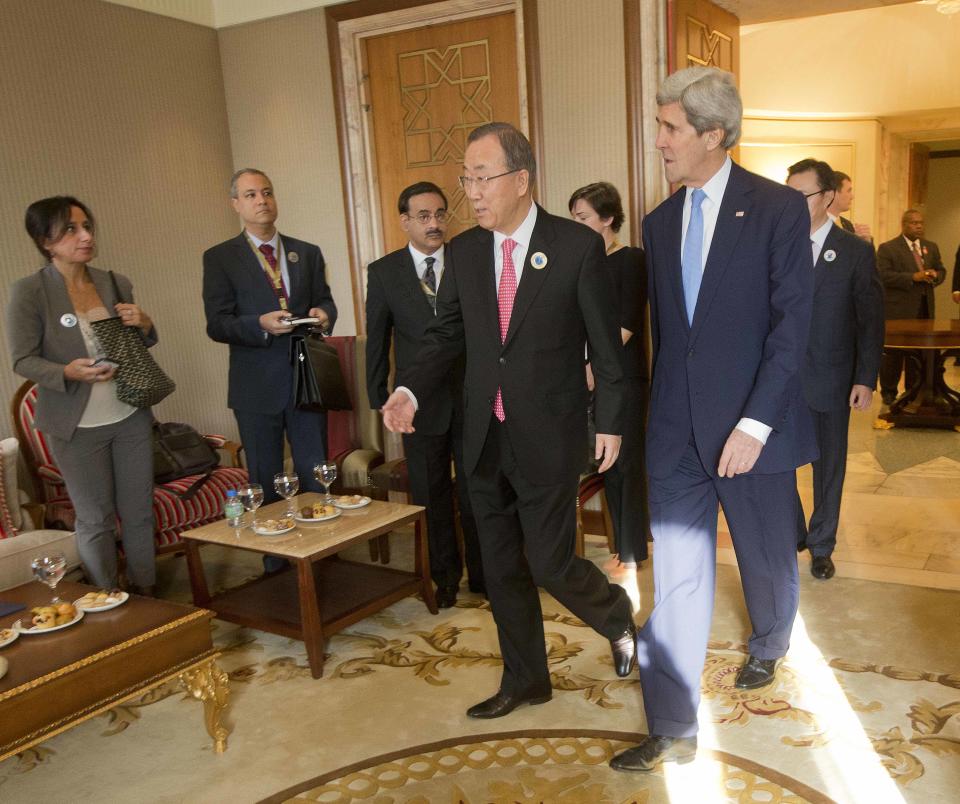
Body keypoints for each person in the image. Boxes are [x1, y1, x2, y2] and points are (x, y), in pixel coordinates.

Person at [381, 122, 636, 720]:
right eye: (466, 178)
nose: (471, 192)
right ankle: (527, 680)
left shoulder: (575, 247)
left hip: (549, 432)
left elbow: (607, 347)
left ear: (521, 180)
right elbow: (448, 333)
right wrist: (410, 387)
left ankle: (615, 613)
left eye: (482, 177)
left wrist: (612, 421)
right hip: (483, 435)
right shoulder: (465, 252)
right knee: (499, 568)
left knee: (548, 561)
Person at [610, 66, 816, 773]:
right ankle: (671, 723)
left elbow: (793, 326)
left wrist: (755, 424)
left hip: (755, 428)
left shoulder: (777, 209)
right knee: (680, 580)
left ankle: (769, 643)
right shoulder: (660, 221)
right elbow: (671, 335)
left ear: (712, 134)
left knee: (764, 560)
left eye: (669, 127)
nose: (659, 139)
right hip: (676, 434)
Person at [7, 197, 158, 594]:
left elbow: (141, 344)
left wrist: (145, 323)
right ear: (46, 240)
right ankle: (108, 602)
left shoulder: (114, 282)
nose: (86, 236)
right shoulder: (30, 292)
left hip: (130, 415)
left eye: (87, 226)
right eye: (71, 229)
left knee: (140, 515)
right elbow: (22, 359)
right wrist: (66, 372)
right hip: (76, 427)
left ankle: (151, 603)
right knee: (95, 519)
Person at [203, 168, 337, 571]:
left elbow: (326, 302)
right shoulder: (221, 257)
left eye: (267, 192)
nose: (261, 200)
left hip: (304, 377)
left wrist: (323, 314)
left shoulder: (306, 251)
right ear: (236, 205)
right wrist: (257, 324)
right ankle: (278, 565)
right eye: (250, 195)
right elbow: (217, 323)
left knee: (315, 470)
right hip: (255, 385)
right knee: (265, 476)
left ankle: (323, 554)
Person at [366, 181, 484, 608]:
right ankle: (445, 579)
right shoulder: (383, 272)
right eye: (423, 216)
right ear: (405, 221)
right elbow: (377, 341)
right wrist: (379, 397)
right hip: (417, 405)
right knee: (431, 495)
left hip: (473, 396)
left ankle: (484, 575)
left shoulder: (469, 260)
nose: (434, 224)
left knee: (477, 491)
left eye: (439, 214)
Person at [786, 159, 884, 581]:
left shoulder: (854, 252)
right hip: (782, 380)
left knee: (829, 468)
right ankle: (793, 531)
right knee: (776, 461)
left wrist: (865, 377)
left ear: (826, 197)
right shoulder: (777, 244)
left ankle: (822, 544)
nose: (790, 202)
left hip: (831, 377)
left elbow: (870, 320)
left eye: (800, 194)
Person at [568, 182, 650, 606]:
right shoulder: (582, 261)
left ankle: (632, 551)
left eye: (582, 217)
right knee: (603, 462)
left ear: (606, 218)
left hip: (621, 378)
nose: (577, 225)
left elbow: (624, 325)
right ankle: (619, 545)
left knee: (626, 466)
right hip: (586, 376)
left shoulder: (631, 260)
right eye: (574, 218)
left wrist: (593, 369)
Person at [876, 209, 946, 405]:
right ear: (904, 224)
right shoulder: (888, 248)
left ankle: (912, 390)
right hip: (899, 311)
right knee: (894, 354)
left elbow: (941, 269)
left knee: (918, 352)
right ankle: (889, 392)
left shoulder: (930, 247)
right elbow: (882, 275)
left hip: (924, 309)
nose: (919, 226)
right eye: (914, 223)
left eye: (921, 223)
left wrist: (935, 275)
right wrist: (912, 277)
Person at [828, 171, 872, 242]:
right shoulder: (816, 224)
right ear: (834, 193)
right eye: (849, 191)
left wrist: (863, 243)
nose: (852, 196)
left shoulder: (848, 226)